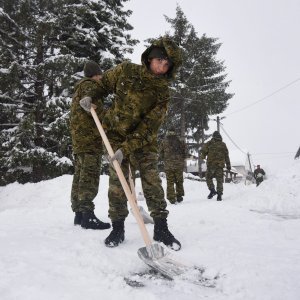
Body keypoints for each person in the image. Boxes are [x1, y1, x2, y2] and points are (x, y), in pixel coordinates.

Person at [80, 36, 183, 250]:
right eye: (159, 62)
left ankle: (161, 227)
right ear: (149, 58)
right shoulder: (126, 71)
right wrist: (90, 96)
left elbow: (149, 127)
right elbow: (103, 84)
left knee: (151, 180)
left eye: (166, 65)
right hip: (115, 134)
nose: (161, 68)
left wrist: (126, 149)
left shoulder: (162, 92)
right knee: (118, 183)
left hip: (144, 141)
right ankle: (118, 227)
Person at [70, 60, 111, 230]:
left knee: (79, 176)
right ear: (97, 75)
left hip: (80, 141)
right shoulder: (88, 85)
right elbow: (92, 92)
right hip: (89, 141)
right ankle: (88, 216)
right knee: (89, 176)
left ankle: (79, 214)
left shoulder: (78, 89)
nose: (101, 79)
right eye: (100, 75)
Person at [201, 131, 231, 201]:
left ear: (213, 136)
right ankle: (219, 195)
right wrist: (228, 165)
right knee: (219, 180)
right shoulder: (223, 145)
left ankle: (212, 190)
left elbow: (203, 151)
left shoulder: (209, 143)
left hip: (211, 165)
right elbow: (226, 156)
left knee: (208, 177)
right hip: (220, 166)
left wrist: (203, 156)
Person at [160, 127, 186, 204]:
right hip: (178, 165)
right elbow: (185, 152)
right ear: (175, 131)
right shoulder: (181, 140)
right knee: (179, 181)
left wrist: (166, 159)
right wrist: (181, 159)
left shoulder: (164, 141)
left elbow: (161, 154)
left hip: (168, 165)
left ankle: (171, 198)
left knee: (170, 182)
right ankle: (179, 196)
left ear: (168, 131)